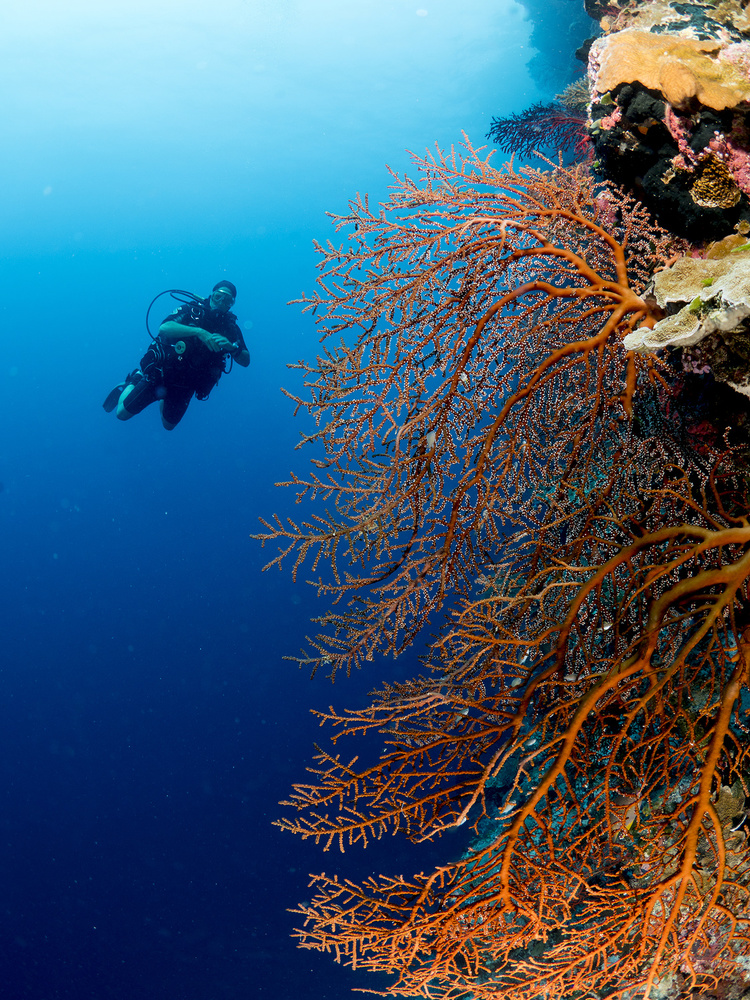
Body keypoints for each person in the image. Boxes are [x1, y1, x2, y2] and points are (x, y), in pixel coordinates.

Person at [103, 281, 250, 430]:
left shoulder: (231, 329)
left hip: (187, 385)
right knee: (121, 414)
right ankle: (135, 380)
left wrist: (232, 348)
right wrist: (199, 332)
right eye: (218, 296)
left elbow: (246, 360)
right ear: (211, 295)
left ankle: (164, 397)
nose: (220, 302)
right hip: (161, 374)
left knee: (168, 426)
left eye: (227, 300)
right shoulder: (192, 311)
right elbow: (164, 328)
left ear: (232, 304)